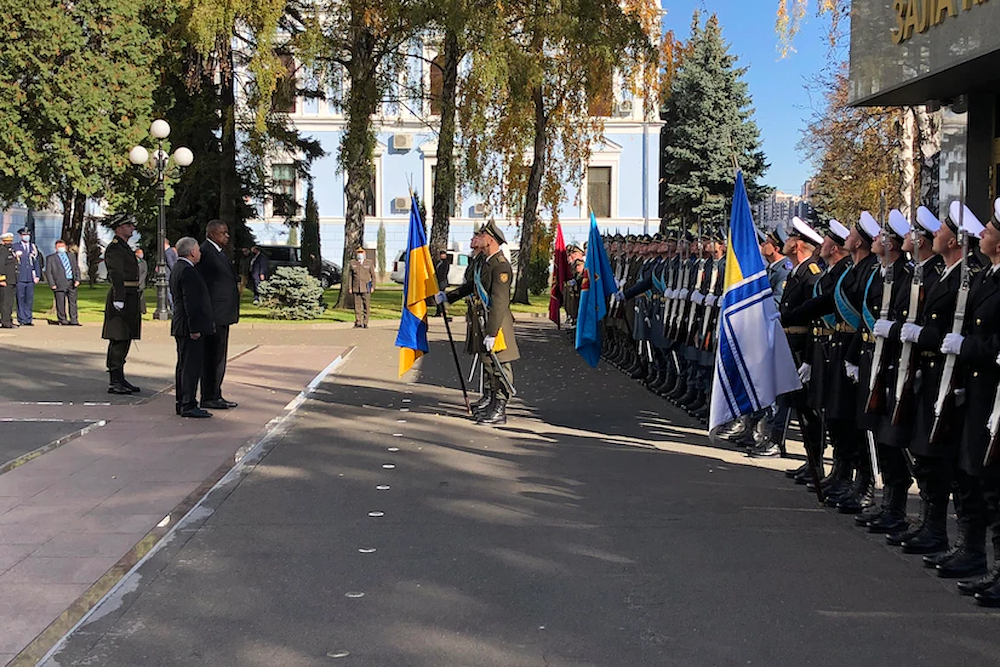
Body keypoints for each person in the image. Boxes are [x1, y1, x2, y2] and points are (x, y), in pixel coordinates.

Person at [437, 220, 519, 426]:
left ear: (490, 240)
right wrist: (449, 296)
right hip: (484, 321)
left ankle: (500, 408)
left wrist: (492, 332)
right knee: (489, 365)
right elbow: (471, 286)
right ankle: (491, 401)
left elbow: (500, 302)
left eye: (482, 235)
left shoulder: (500, 266)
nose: (478, 237)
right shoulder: (486, 263)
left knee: (499, 365)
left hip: (496, 324)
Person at [170, 237, 215, 419]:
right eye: (198, 249)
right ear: (192, 252)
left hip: (181, 324)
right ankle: (188, 403)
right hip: (189, 326)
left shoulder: (178, 268)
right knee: (190, 366)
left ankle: (182, 401)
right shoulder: (188, 271)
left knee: (183, 364)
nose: (200, 253)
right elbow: (191, 302)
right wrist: (195, 327)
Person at [198, 220, 240, 410]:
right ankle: (209, 395)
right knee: (212, 358)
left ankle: (216, 393)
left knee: (219, 357)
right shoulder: (206, 253)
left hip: (223, 314)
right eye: (223, 233)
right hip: (215, 315)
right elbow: (205, 286)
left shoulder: (218, 253)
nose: (227, 236)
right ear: (212, 234)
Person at [101, 213, 143, 394]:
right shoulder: (115, 248)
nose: (132, 228)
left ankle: (120, 377)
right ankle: (114, 379)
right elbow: (116, 274)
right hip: (122, 295)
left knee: (126, 337)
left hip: (130, 294)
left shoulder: (125, 247)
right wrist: (119, 297)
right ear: (119, 228)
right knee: (118, 338)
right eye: (128, 226)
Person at [44, 239, 81, 326]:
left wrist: (77, 279)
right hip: (59, 283)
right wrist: (52, 284)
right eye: (59, 247)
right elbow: (48, 272)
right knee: (60, 302)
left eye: (62, 246)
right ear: (56, 248)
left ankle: (74, 320)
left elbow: (76, 268)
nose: (61, 248)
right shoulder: (51, 258)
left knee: (73, 302)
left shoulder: (71, 256)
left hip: (71, 282)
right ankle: (62, 319)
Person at [13, 227, 41, 326]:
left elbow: (36, 262)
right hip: (20, 277)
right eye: (24, 235)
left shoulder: (33, 247)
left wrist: (37, 275)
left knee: (29, 299)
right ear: (21, 236)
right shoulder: (16, 247)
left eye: (28, 235)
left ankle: (28, 319)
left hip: (30, 277)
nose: (26, 236)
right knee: (20, 298)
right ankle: (22, 319)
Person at [348, 247, 376, 328]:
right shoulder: (353, 263)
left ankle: (365, 322)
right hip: (356, 287)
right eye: (358, 253)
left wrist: (373, 286)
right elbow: (350, 276)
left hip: (366, 287)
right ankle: (358, 322)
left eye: (361, 253)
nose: (360, 254)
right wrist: (350, 287)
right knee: (357, 306)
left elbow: (373, 276)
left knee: (366, 306)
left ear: (364, 254)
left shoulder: (369, 263)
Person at [0, 232, 16, 328]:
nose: (9, 242)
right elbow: (1, 265)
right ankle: (5, 321)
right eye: (7, 241)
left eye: (10, 240)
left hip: (12, 280)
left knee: (10, 302)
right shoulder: (2, 251)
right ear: (3, 241)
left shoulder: (11, 251)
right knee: (5, 302)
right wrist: (1, 279)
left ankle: (8, 320)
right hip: (5, 281)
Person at [433, 249, 451, 317]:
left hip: (442, 282)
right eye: (441, 254)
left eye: (443, 254)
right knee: (437, 297)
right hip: (437, 282)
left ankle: (442, 311)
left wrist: (440, 280)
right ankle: (439, 311)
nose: (442, 256)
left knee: (440, 296)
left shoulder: (446, 263)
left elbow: (444, 273)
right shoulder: (438, 262)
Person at [165, 238, 178, 309]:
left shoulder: (168, 252)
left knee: (169, 293)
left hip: (168, 275)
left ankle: (173, 308)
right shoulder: (171, 251)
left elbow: (170, 263)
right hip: (170, 274)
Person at [135, 248, 148, 315]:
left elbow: (145, 272)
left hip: (141, 282)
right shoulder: (133, 261)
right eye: (140, 253)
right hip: (134, 281)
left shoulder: (143, 262)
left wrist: (140, 280)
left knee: (141, 296)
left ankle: (143, 309)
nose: (141, 254)